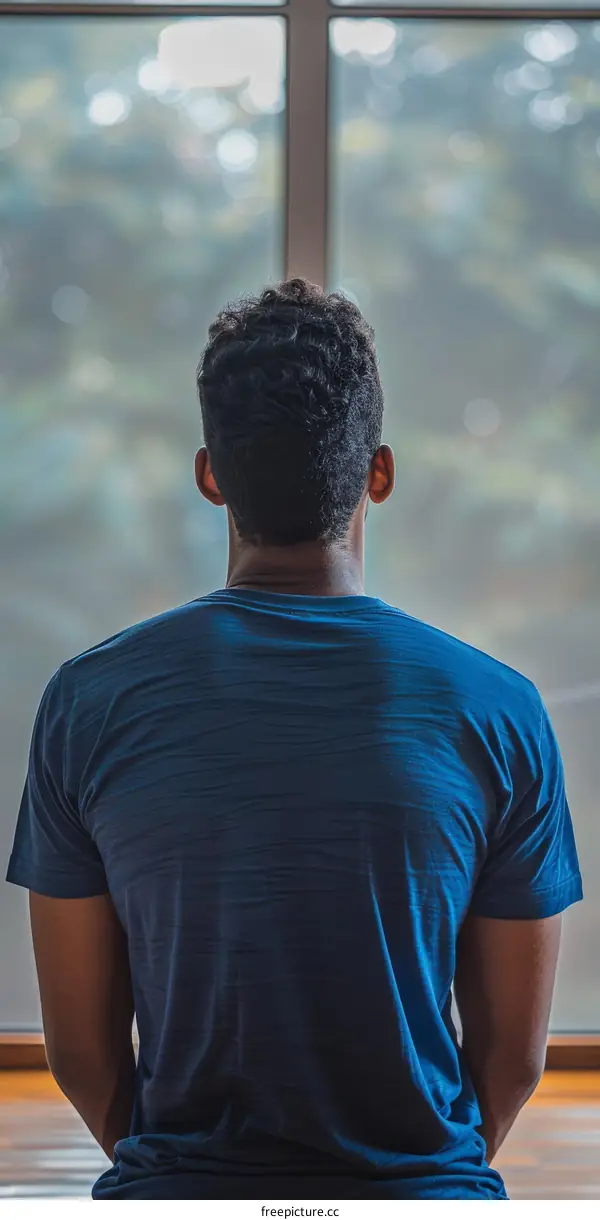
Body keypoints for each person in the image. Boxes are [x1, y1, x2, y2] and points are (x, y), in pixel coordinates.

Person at [7, 279, 582, 1200]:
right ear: (379, 473)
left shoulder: (89, 700)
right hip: (422, 1198)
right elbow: (512, 1062)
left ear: (209, 476)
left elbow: (81, 1053)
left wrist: (192, 1179)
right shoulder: (499, 709)